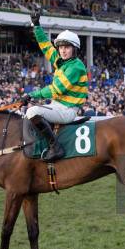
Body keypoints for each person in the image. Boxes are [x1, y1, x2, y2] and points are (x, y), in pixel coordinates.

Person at [21, 9, 88, 162]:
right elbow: (46, 46)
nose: (63, 50)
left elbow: (56, 89)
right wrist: (36, 25)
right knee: (29, 112)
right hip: (58, 105)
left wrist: (32, 94)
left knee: (33, 112)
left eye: (67, 47)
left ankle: (55, 147)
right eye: (61, 47)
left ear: (74, 49)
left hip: (68, 110)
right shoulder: (61, 61)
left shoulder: (76, 67)